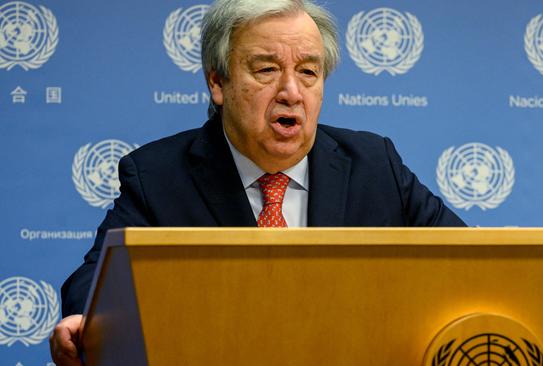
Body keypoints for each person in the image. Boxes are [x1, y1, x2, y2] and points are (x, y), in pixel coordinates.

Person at [49, 0, 466, 364]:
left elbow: (469, 261)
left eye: (308, 72)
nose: (291, 92)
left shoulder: (375, 165)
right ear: (218, 82)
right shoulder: (158, 175)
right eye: (266, 69)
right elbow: (95, 282)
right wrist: (89, 322)